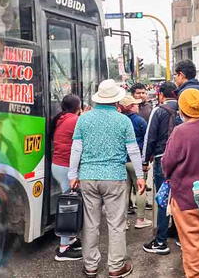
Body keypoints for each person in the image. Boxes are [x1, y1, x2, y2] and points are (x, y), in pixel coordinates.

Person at [68, 79, 145, 277]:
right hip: (114, 178)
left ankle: (91, 265)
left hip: (88, 177)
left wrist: (72, 174)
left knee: (90, 223)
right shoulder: (123, 121)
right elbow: (134, 151)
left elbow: (76, 148)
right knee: (116, 223)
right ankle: (116, 266)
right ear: (116, 101)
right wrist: (140, 175)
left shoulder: (83, 119)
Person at [160, 88, 199, 278]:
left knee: (192, 245)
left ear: (182, 109)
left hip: (185, 196)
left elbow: (167, 163)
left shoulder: (180, 131)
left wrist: (168, 175)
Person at [142, 81, 182, 255]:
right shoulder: (184, 110)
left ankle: (161, 241)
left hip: (162, 160)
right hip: (182, 160)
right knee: (181, 198)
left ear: (161, 95)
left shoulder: (158, 111)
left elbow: (150, 137)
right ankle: (181, 236)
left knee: (163, 198)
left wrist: (145, 161)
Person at [49, 94, 83, 261]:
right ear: (78, 106)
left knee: (68, 203)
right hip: (66, 167)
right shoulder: (75, 120)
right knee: (68, 207)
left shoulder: (62, 118)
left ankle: (70, 239)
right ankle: (63, 248)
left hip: (57, 165)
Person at [118, 94, 151, 229]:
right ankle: (140, 219)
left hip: (121, 160)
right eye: (136, 104)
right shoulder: (140, 121)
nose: (138, 106)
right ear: (131, 107)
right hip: (136, 160)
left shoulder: (119, 120)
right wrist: (147, 160)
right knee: (140, 189)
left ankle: (123, 221)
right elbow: (147, 139)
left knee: (124, 191)